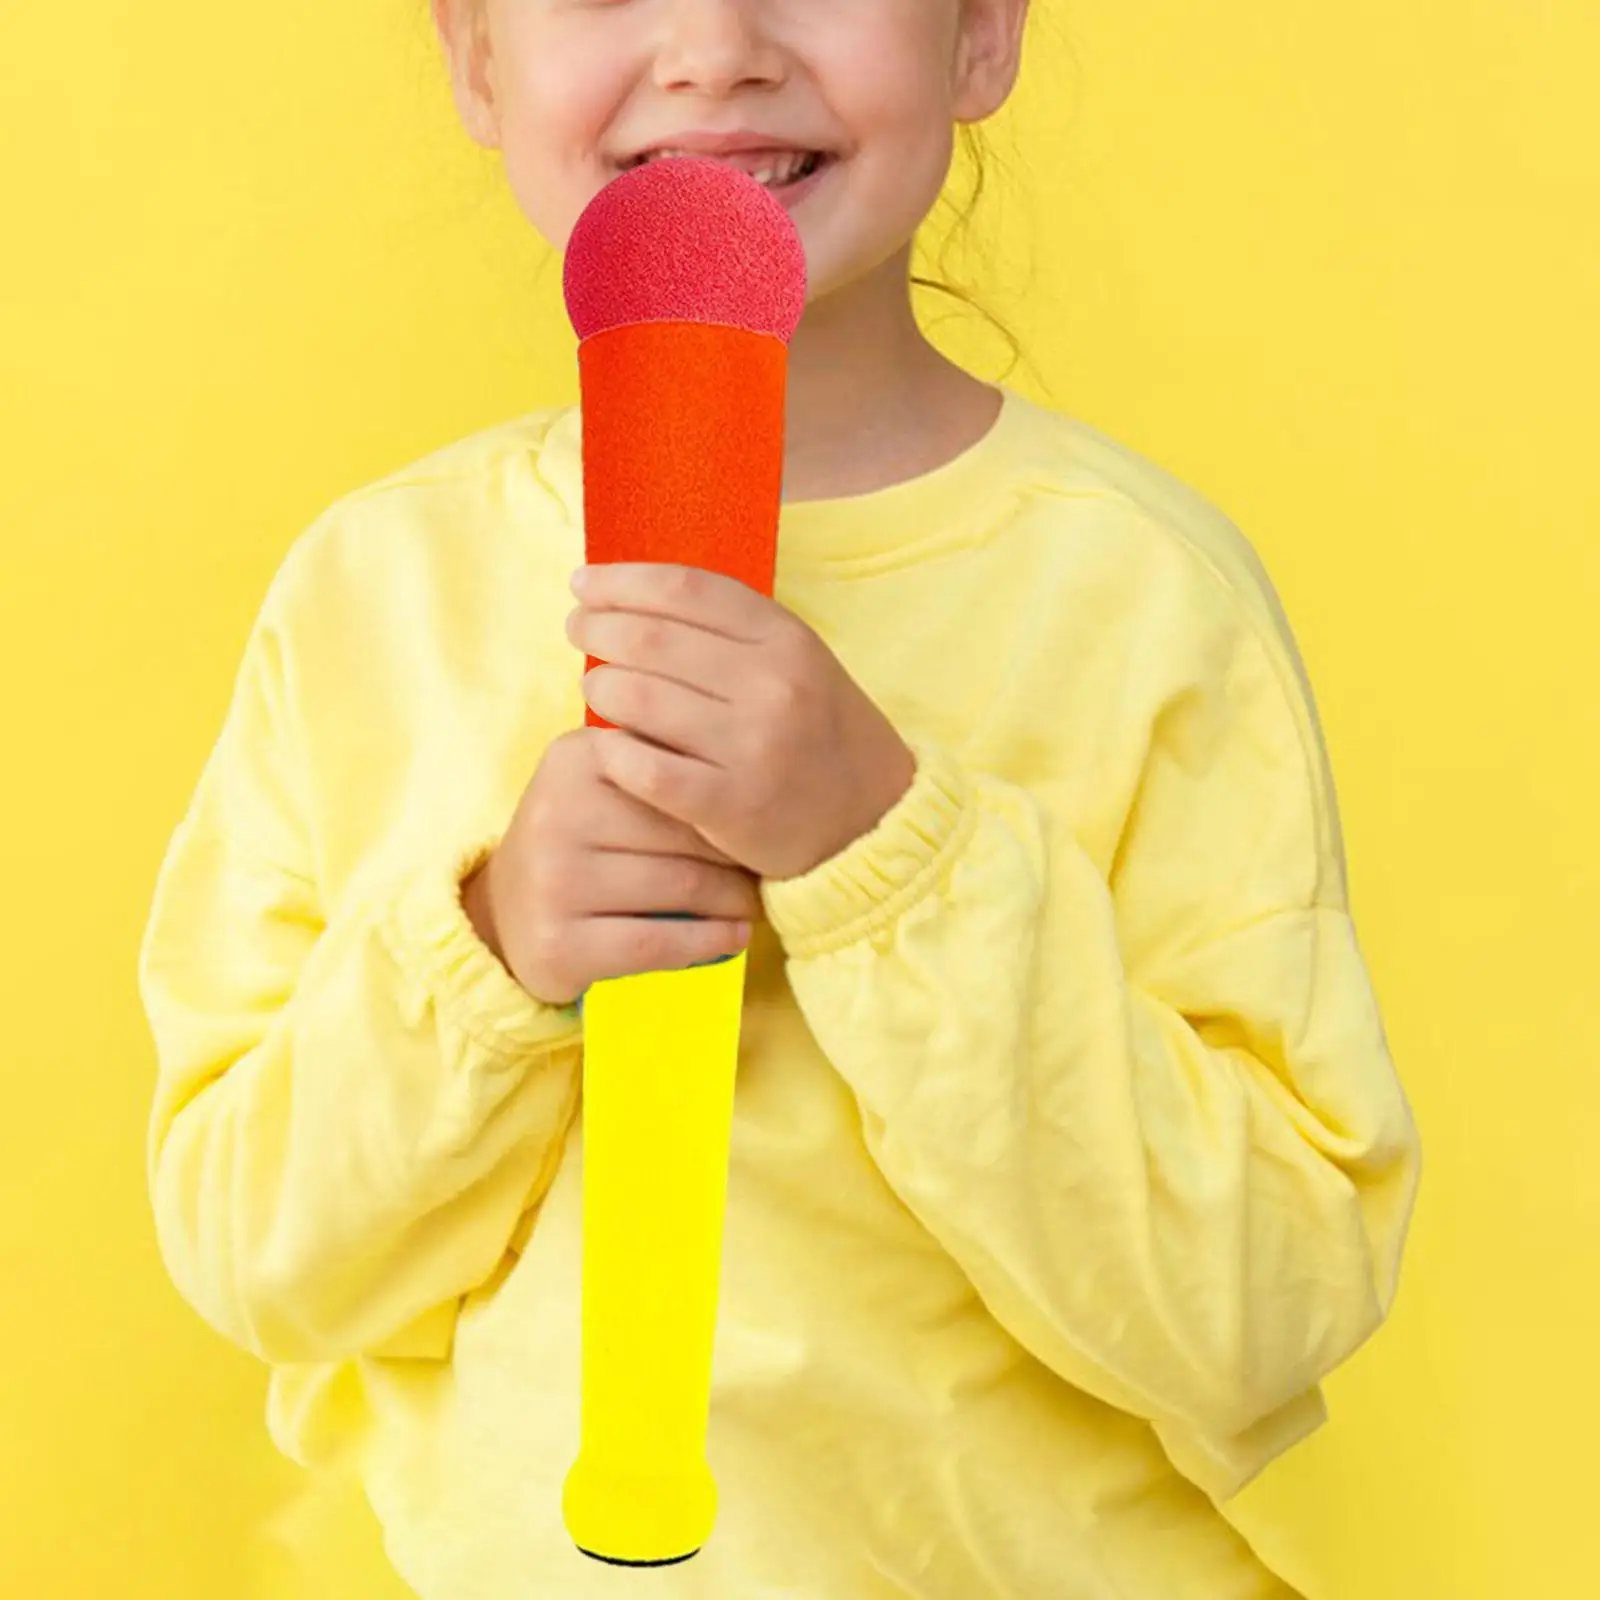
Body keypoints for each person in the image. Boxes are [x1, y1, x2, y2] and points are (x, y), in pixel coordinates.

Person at [136, 2, 1421, 1596]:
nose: (713, 47)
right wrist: (483, 951)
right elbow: (259, 1258)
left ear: (981, 33)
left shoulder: (1146, 602)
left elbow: (1264, 1306)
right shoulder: (372, 595)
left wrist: (892, 857)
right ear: (476, 58)